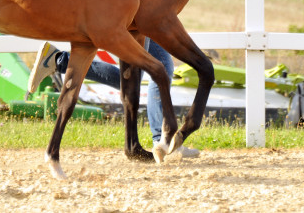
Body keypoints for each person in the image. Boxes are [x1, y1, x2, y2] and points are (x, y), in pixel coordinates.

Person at [28, 39, 200, 158]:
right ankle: (164, 141)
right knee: (150, 71)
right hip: (139, 12)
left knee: (154, 70)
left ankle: (163, 140)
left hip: (141, 10)